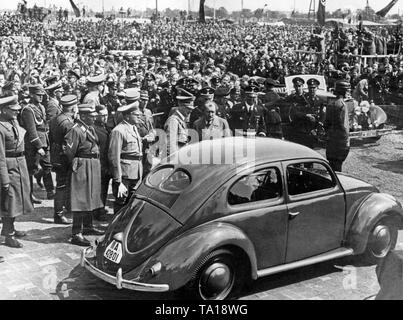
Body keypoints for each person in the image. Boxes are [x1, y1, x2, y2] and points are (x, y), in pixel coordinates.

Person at [63, 104, 104, 246]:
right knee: (80, 199)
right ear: (84, 116)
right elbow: (69, 152)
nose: (94, 117)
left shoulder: (89, 128)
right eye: (91, 116)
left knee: (90, 197)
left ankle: (87, 226)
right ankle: (76, 233)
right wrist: (76, 164)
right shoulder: (76, 130)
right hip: (82, 165)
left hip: (92, 164)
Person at [0, 96, 34, 248]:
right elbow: (0, 156)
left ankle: (10, 229)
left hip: (20, 164)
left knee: (17, 200)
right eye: (13, 110)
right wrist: (4, 179)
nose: (16, 112)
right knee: (10, 202)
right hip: (9, 166)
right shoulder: (0, 128)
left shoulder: (12, 122)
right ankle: (8, 236)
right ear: (3, 110)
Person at [19, 84, 54, 203]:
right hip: (34, 143)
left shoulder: (41, 107)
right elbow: (31, 130)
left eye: (42, 95)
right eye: (38, 95)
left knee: (48, 166)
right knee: (31, 169)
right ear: (32, 94)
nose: (41, 97)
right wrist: (38, 146)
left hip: (45, 139)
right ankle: (29, 195)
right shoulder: (28, 109)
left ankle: (50, 191)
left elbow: (45, 125)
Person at [108, 100, 143, 214]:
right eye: (136, 115)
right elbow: (114, 157)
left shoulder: (133, 127)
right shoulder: (118, 131)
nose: (139, 116)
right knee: (121, 201)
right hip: (124, 173)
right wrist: (118, 180)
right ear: (127, 116)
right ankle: (116, 228)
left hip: (135, 170)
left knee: (132, 202)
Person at [49, 95, 78, 225]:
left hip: (56, 154)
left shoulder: (56, 119)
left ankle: (63, 210)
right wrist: (72, 159)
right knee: (62, 185)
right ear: (73, 107)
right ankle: (59, 214)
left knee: (61, 184)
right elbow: (69, 145)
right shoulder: (68, 122)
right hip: (63, 157)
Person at [324, 81, 351, 172]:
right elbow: (344, 127)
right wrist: (347, 141)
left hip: (331, 141)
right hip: (340, 143)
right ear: (343, 91)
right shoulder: (342, 106)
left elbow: (326, 123)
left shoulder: (331, 104)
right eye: (347, 91)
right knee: (338, 170)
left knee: (332, 166)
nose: (349, 92)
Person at [164, 88, 196, 157]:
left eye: (191, 109)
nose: (190, 111)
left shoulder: (181, 121)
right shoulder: (173, 121)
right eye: (188, 108)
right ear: (181, 106)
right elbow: (170, 146)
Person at [93, 105, 111, 221]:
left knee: (104, 188)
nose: (105, 117)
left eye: (106, 115)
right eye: (102, 115)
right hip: (99, 164)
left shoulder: (106, 127)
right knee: (99, 189)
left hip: (106, 163)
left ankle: (101, 208)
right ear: (96, 116)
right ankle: (98, 212)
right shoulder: (94, 129)